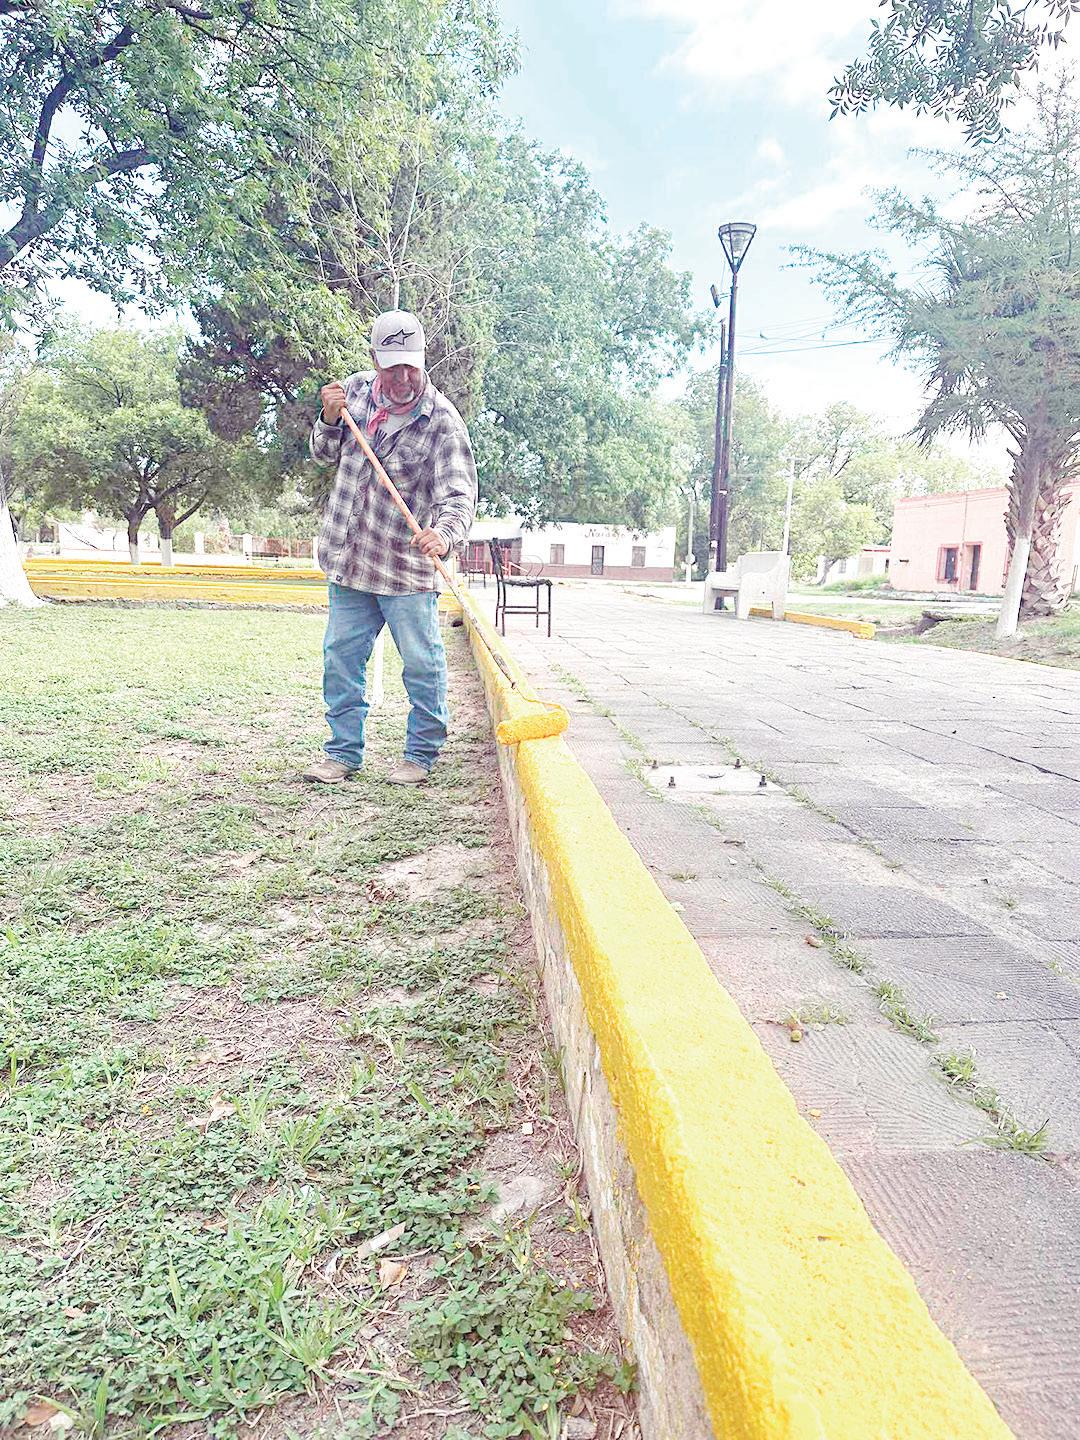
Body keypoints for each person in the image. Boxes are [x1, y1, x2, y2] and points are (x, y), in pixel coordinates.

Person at [303, 309, 477, 786]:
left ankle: (420, 754)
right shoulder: (354, 393)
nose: (403, 378)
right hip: (349, 559)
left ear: (423, 360)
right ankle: (342, 752)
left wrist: (444, 534)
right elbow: (322, 455)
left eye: (411, 367)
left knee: (422, 664)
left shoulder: (442, 421)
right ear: (375, 360)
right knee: (340, 659)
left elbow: (458, 495)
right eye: (392, 367)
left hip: (405, 569)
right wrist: (329, 419)